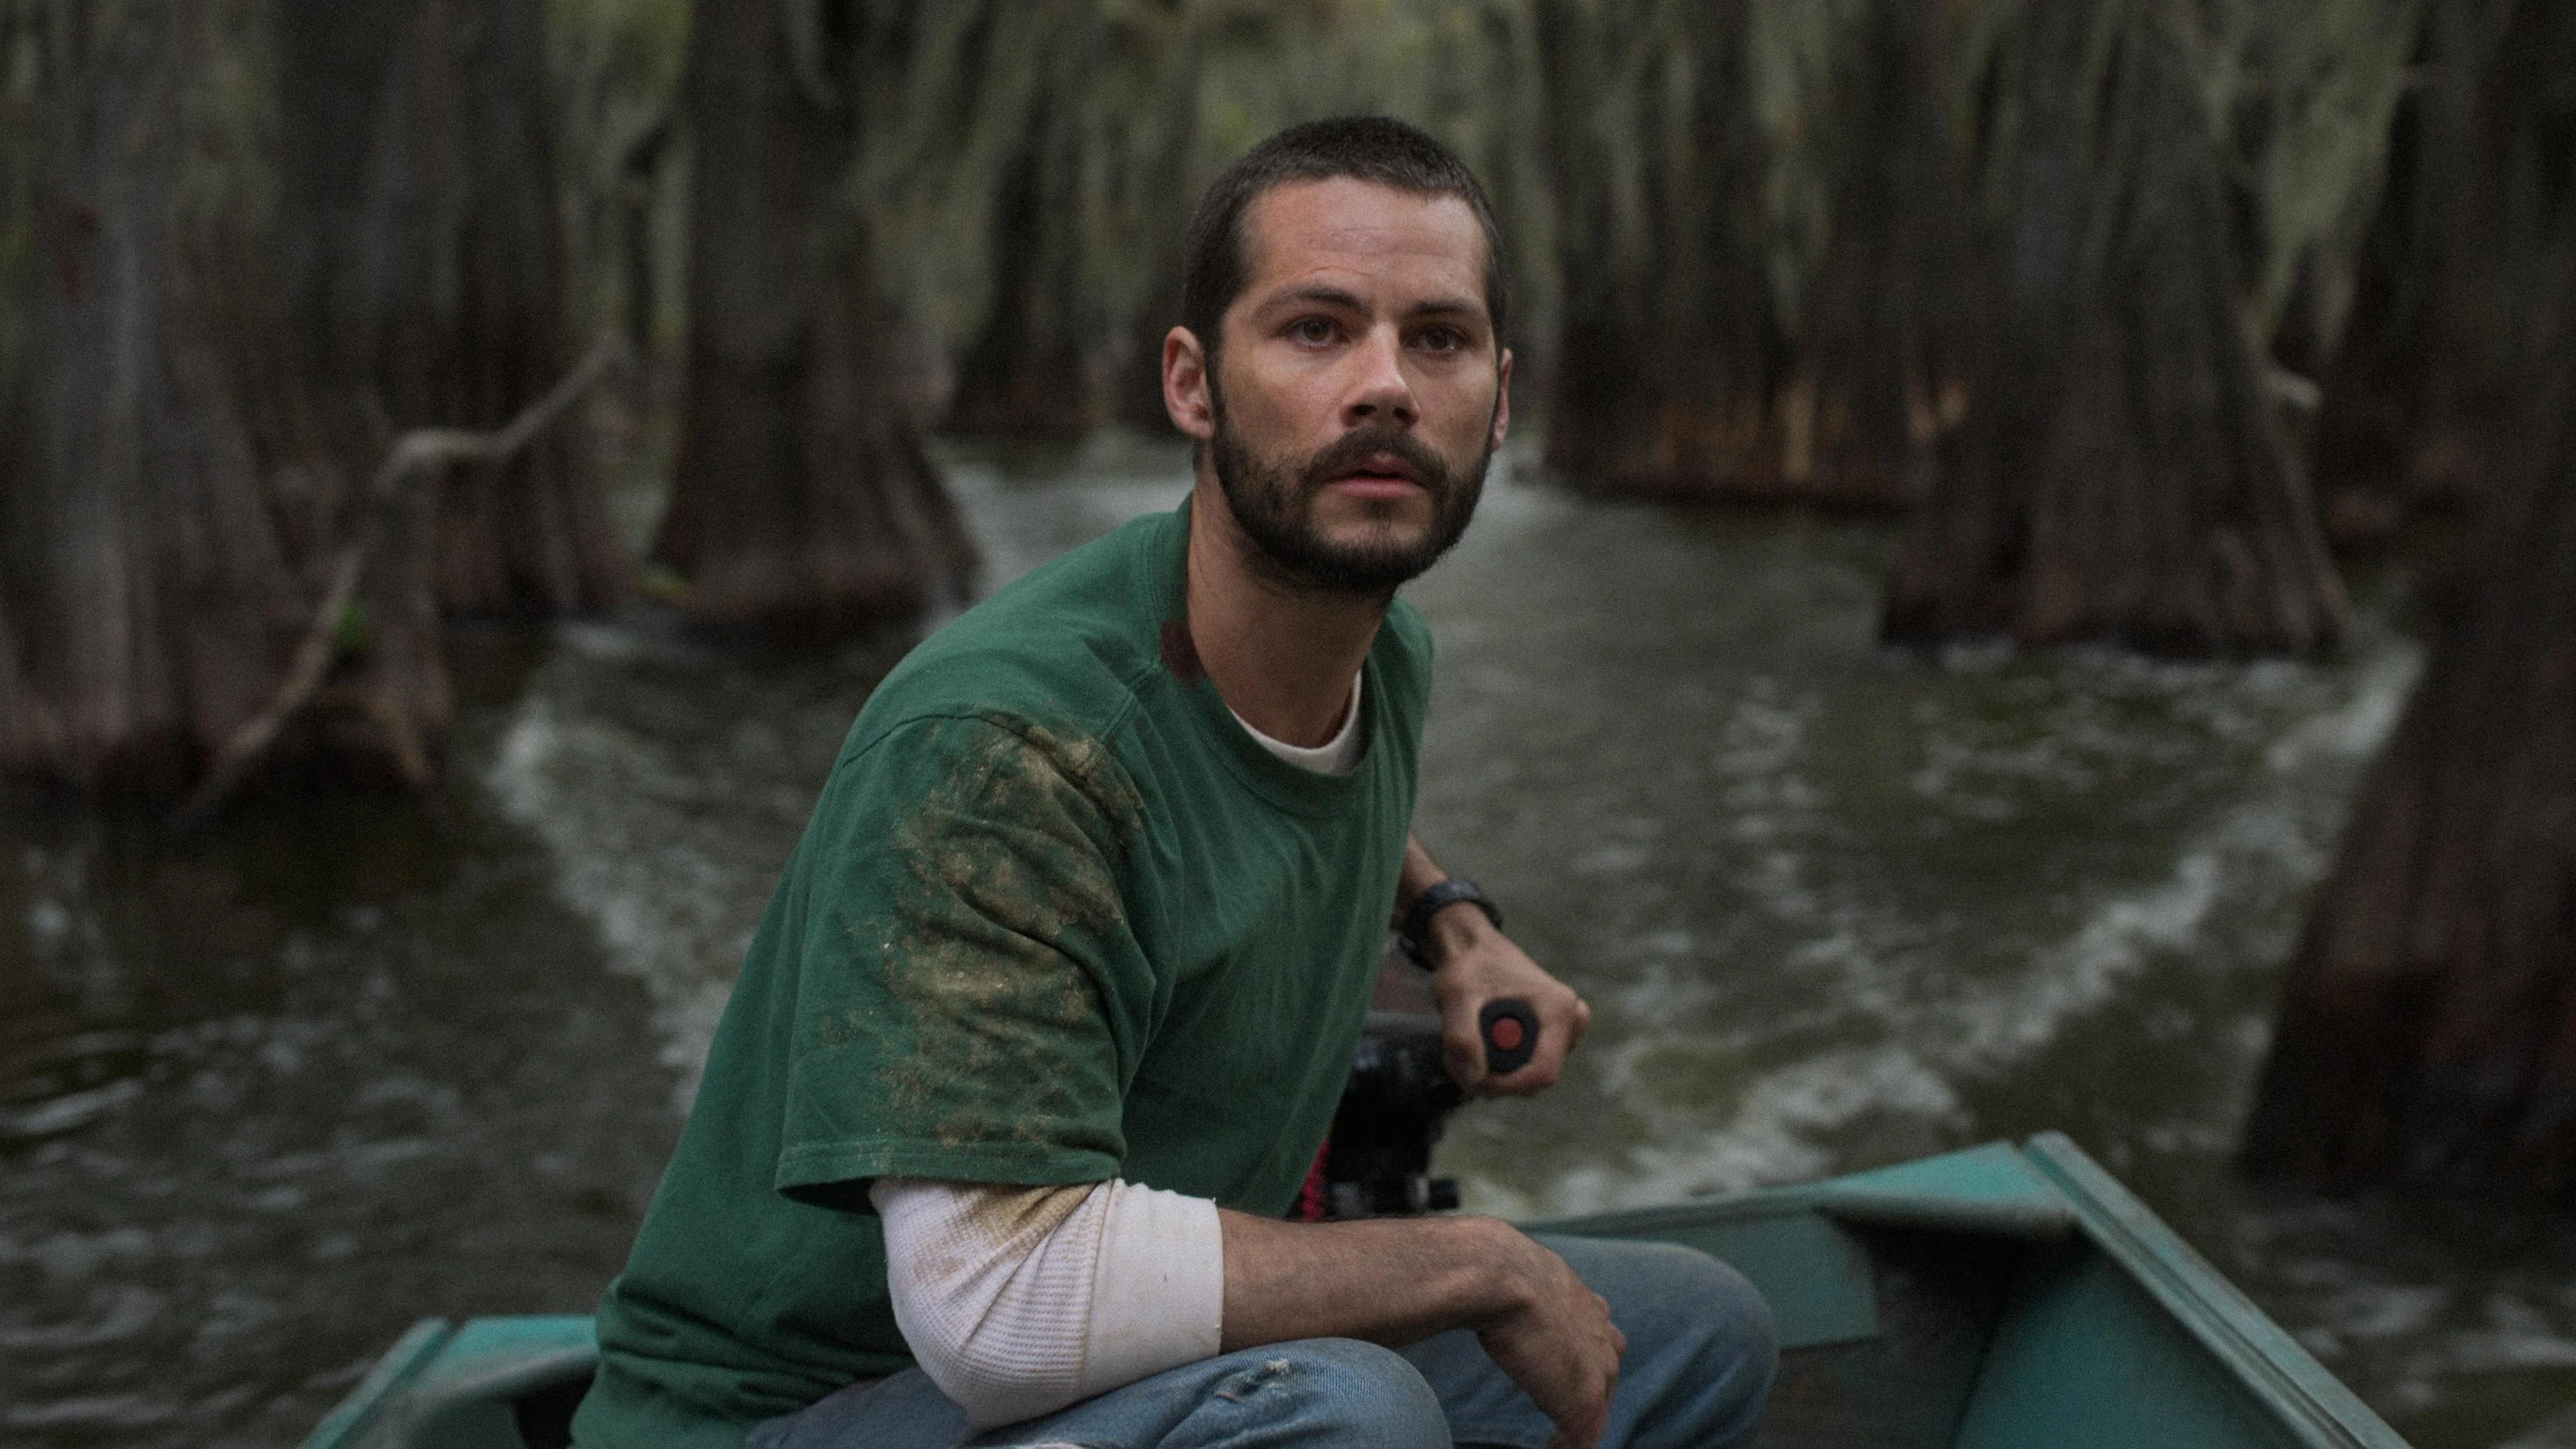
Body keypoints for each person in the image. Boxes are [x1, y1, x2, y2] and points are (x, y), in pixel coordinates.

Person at [569, 115, 1774, 1449]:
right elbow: (1001, 1310)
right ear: (1193, 385)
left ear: (1499, 400)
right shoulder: (1004, 751)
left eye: (1437, 338)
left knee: (1696, 1332)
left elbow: (1282, 779)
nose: (1384, 385)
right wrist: (1477, 1263)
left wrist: (1453, 923)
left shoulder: (1381, 658)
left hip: (1088, 1382)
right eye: (1317, 329)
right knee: (1344, 1413)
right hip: (796, 1413)